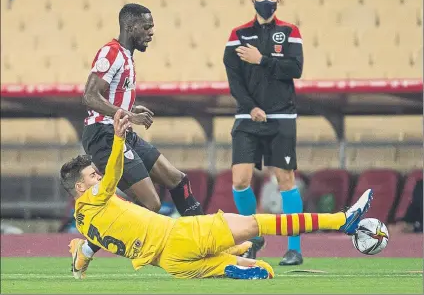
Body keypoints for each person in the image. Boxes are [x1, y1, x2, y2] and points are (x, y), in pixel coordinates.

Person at [62, 110, 373, 280]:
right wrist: (118, 140)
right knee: (258, 223)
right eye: (92, 175)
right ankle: (343, 220)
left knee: (260, 268)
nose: (99, 176)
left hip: (172, 265)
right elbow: (114, 172)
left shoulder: (84, 221)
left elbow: (91, 244)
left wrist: (80, 260)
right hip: (180, 236)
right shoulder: (96, 196)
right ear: (79, 188)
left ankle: (237, 262)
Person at [77, 4, 204, 274]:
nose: (151, 32)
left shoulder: (127, 57)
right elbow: (89, 95)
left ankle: (206, 241)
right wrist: (126, 114)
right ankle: (87, 248)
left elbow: (109, 99)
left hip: (123, 132)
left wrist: (130, 112)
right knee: (152, 204)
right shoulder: (110, 53)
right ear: (129, 27)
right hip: (103, 136)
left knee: (178, 180)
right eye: (146, 27)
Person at [223, 0, 304, 265]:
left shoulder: (290, 31)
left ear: (278, 0)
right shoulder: (238, 34)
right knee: (240, 180)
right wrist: (250, 106)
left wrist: (262, 59)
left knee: (285, 180)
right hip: (247, 117)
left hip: (282, 116)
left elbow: (295, 68)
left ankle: (294, 248)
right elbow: (233, 78)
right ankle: (252, 238)